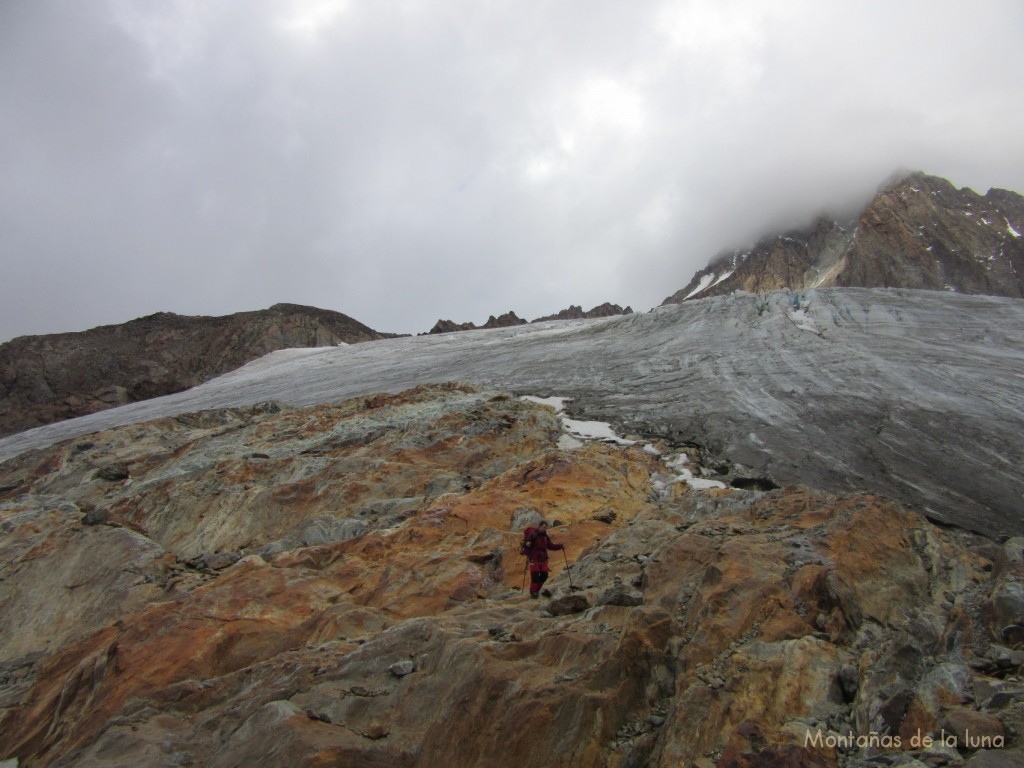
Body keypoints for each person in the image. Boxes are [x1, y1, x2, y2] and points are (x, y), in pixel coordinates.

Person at [523, 521, 564, 598]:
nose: (545, 529)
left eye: (546, 528)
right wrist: (527, 544)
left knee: (544, 575)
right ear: (540, 526)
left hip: (543, 558)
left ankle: (536, 591)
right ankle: (533, 592)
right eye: (544, 527)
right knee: (535, 576)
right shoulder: (533, 535)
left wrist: (559, 546)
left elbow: (550, 546)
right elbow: (527, 543)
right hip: (534, 558)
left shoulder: (545, 536)